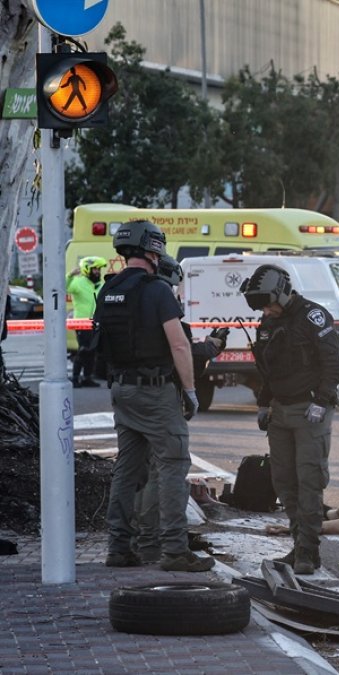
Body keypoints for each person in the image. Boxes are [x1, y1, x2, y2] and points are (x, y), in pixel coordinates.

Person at [94, 220, 212, 572]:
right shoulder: (157, 290)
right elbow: (178, 343)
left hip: (121, 390)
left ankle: (118, 548)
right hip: (154, 391)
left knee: (126, 471)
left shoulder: (109, 289)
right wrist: (190, 391)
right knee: (174, 464)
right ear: (153, 248)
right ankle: (175, 550)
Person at [242, 264, 339, 575]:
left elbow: (334, 360)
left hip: (309, 410)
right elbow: (267, 368)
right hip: (280, 410)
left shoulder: (313, 316)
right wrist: (263, 403)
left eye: (269, 303)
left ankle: (307, 551)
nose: (267, 311)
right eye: (262, 306)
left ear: (283, 294)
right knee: (284, 482)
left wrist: (323, 399)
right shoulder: (268, 321)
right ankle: (298, 542)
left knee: (309, 480)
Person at [131, 254, 228, 564]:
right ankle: (172, 548)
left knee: (144, 472)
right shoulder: (162, 304)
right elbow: (183, 349)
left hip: (131, 397)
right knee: (169, 468)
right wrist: (212, 347)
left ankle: (142, 543)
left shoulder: (134, 304)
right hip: (161, 398)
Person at [67, 256, 105, 387]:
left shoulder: (99, 285)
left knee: (92, 352)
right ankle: (75, 377)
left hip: (96, 323)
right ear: (87, 269)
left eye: (99, 269)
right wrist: (70, 275)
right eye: (95, 269)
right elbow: (64, 288)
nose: (98, 272)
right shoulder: (78, 282)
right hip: (82, 323)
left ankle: (87, 377)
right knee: (83, 350)